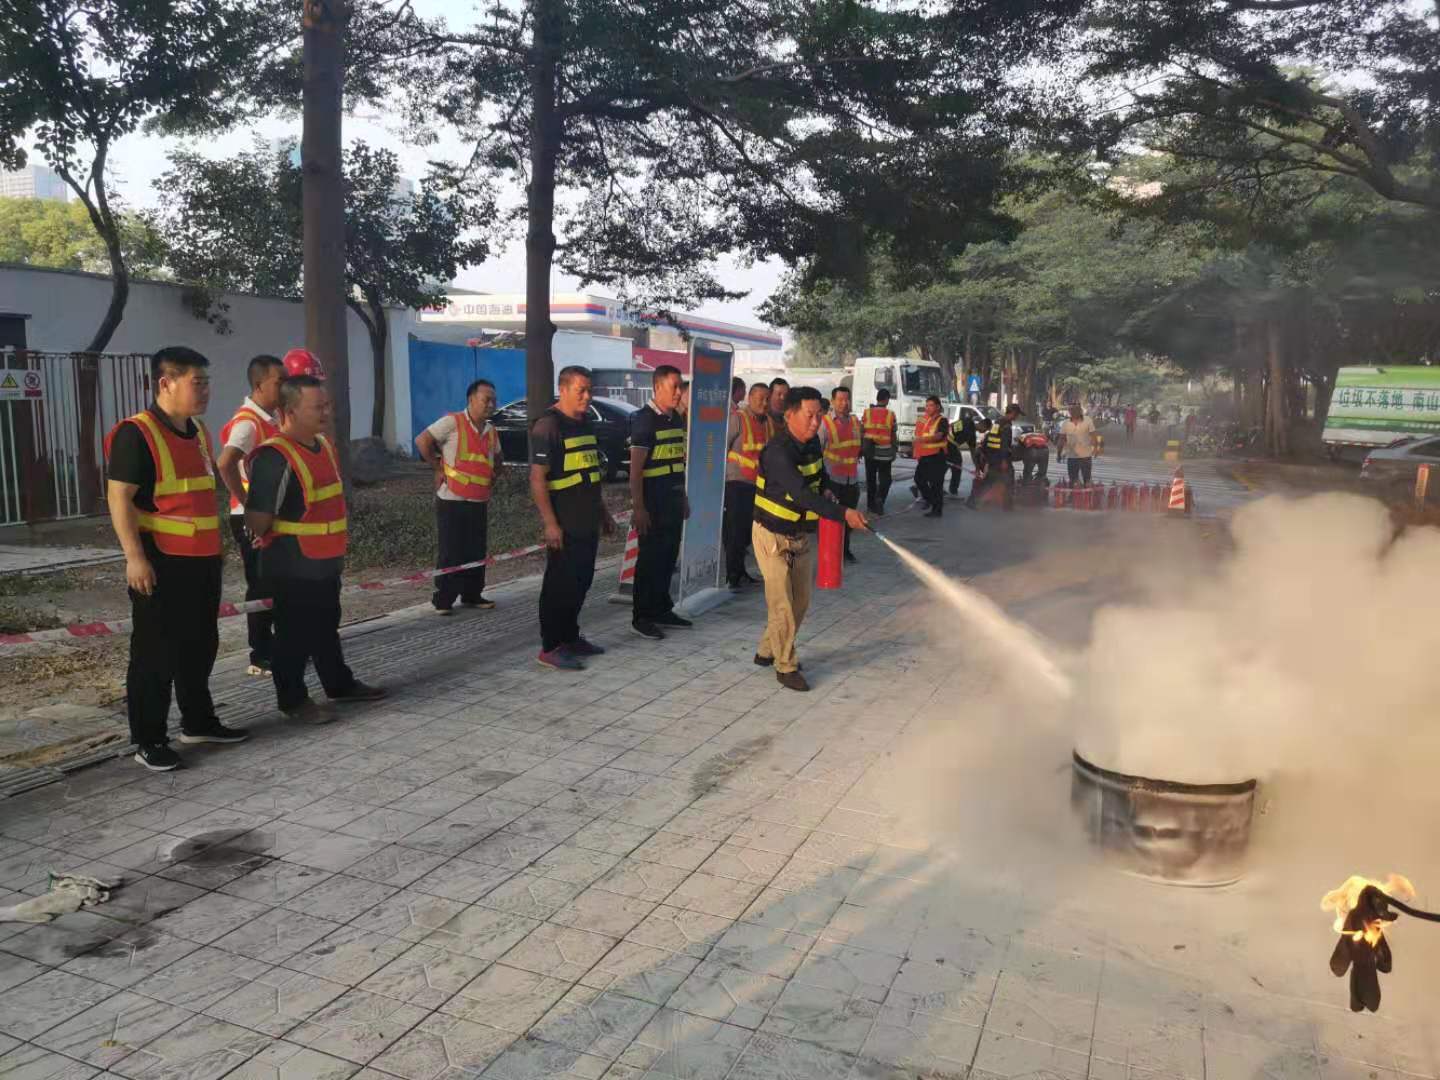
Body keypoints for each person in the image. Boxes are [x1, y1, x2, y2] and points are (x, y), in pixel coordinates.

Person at [105, 346, 248, 771]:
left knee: (200, 645)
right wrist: (134, 557)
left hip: (201, 561)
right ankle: (149, 739)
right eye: (196, 382)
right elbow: (119, 497)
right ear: (165, 383)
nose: (205, 390)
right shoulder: (137, 433)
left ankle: (198, 721)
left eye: (207, 382)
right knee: (155, 653)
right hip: (160, 561)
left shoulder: (198, 431)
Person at [245, 375, 387, 723]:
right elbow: (258, 519)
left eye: (327, 405)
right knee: (292, 635)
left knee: (326, 626)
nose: (326, 412)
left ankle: (339, 684)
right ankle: (293, 700)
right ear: (290, 411)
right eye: (317, 407)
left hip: (324, 560)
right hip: (291, 564)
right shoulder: (274, 456)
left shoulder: (323, 445)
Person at [753, 386, 868, 691]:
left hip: (799, 536)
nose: (816, 422)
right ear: (789, 415)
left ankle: (767, 649)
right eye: (809, 415)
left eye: (819, 415)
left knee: (800, 603)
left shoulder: (813, 442)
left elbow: (819, 476)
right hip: (771, 536)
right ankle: (785, 666)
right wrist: (843, 513)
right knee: (782, 606)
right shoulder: (777, 452)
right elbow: (802, 494)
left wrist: (827, 488)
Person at [530, 365, 618, 670]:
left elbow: (589, 474)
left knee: (582, 580)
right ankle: (550, 646)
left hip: (587, 520)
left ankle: (570, 637)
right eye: (581, 390)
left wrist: (603, 512)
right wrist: (550, 523)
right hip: (564, 523)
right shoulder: (548, 426)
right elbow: (537, 479)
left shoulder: (585, 424)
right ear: (563, 389)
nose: (587, 396)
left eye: (590, 390)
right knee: (560, 585)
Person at [216, 353, 283, 677]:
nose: (285, 387)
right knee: (261, 585)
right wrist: (248, 505)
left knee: (276, 581)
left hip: (268, 515)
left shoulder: (271, 419)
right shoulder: (248, 423)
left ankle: (278, 646)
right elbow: (225, 463)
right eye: (279, 382)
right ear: (259, 385)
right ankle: (260, 654)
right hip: (250, 517)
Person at [414, 378, 502, 615]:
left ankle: (472, 594)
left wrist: (494, 475)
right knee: (451, 551)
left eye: (494, 400)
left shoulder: (491, 431)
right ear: (471, 399)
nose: (491, 404)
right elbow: (422, 441)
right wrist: (437, 468)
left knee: (476, 551)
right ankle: (443, 599)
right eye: (486, 399)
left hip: (479, 500)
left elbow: (498, 458)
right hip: (452, 499)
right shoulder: (452, 422)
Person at [629, 364, 692, 640]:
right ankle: (642, 616)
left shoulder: (676, 419)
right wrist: (639, 507)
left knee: (668, 557)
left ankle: (661, 609)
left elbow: (678, 462)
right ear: (657, 387)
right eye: (674, 387)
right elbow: (635, 471)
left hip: (673, 501)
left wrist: (683, 497)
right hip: (652, 504)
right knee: (650, 561)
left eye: (680, 386)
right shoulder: (644, 420)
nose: (679, 392)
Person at [724, 382, 770, 588]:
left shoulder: (766, 422)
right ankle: (732, 576)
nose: (764, 403)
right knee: (734, 532)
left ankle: (741, 571)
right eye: (760, 399)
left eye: (767, 399)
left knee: (746, 532)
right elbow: (722, 447)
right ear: (749, 398)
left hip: (757, 484)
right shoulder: (737, 419)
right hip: (736, 484)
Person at [819, 385, 862, 563]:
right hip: (832, 481)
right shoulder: (825, 423)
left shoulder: (855, 422)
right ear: (833, 401)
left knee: (848, 520)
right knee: (832, 520)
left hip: (852, 480)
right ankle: (830, 554)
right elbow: (817, 451)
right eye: (840, 400)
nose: (844, 403)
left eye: (847, 399)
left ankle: (845, 550)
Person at [969, 403, 1020, 511]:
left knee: (989, 480)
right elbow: (1004, 444)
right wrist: (1004, 460)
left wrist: (987, 457)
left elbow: (989, 438)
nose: (1017, 417)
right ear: (1013, 413)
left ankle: (972, 501)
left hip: (993, 456)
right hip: (1000, 458)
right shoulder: (1006, 426)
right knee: (1008, 479)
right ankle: (1007, 506)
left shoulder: (998, 422)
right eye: (1017, 414)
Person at [861, 388, 897, 514]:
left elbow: (862, 431)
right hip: (885, 453)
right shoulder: (890, 414)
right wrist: (894, 449)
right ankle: (880, 498)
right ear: (887, 399)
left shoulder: (867, 412)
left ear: (877, 398)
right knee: (885, 479)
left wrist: (861, 448)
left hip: (869, 451)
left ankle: (871, 505)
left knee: (870, 479)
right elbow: (893, 434)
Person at [912, 395, 949, 517]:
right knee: (919, 479)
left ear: (938, 407)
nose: (927, 408)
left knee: (936, 484)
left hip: (937, 456)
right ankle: (932, 501)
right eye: (926, 405)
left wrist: (922, 439)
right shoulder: (927, 420)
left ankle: (936, 510)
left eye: (931, 405)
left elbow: (939, 436)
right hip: (925, 456)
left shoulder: (942, 420)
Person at [1057, 403, 1097, 487]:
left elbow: (1094, 436)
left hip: (1084, 456)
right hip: (1073, 456)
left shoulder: (1087, 420)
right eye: (1072, 411)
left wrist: (1096, 449)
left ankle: (1084, 492)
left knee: (1085, 481)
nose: (1073, 413)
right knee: (1075, 481)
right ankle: (1077, 492)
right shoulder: (1066, 423)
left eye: (1074, 411)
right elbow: (1061, 440)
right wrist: (1059, 454)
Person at [946, 408, 978, 498]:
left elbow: (952, 425)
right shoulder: (971, 434)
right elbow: (973, 453)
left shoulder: (966, 421)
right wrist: (977, 467)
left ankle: (944, 488)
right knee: (956, 465)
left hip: (945, 441)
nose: (983, 432)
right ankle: (952, 491)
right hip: (949, 445)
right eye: (984, 430)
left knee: (947, 465)